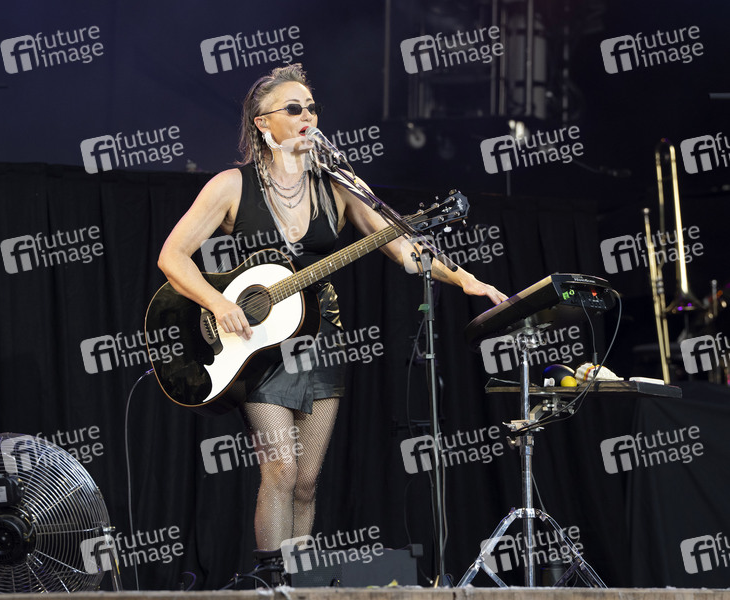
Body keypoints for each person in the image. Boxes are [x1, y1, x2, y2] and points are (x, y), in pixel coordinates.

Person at [157, 63, 506, 583]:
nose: (307, 116)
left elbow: (404, 248)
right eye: (293, 108)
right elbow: (173, 256)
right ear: (262, 122)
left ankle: (299, 585)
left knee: (307, 482)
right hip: (259, 347)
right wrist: (216, 302)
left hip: (322, 341)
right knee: (280, 468)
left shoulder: (338, 185)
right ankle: (270, 584)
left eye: (312, 108)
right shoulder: (231, 185)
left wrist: (465, 280)